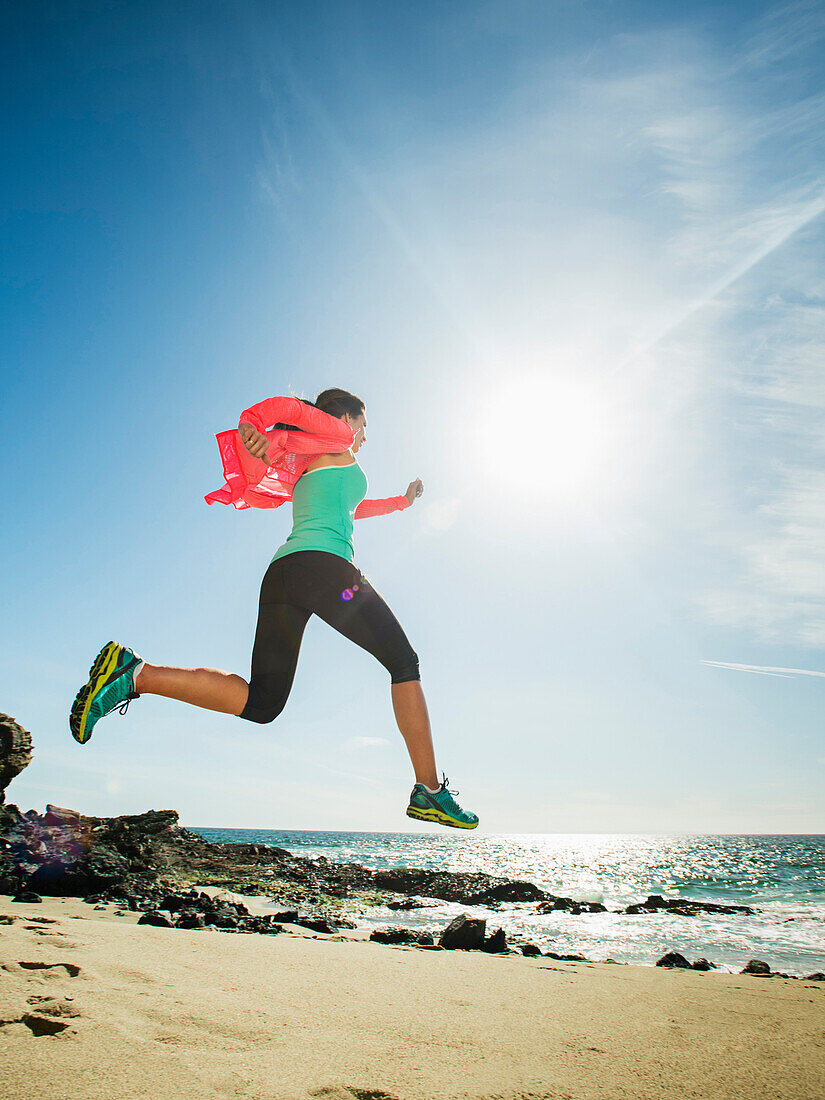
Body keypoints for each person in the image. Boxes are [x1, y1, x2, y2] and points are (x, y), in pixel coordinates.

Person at [69, 388, 478, 829]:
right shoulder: (335, 437)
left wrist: (403, 501)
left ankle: (133, 674)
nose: (363, 436)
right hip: (325, 569)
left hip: (285, 575)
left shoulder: (308, 463)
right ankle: (429, 790)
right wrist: (250, 422)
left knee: (263, 704)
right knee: (404, 661)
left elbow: (355, 510)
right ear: (343, 416)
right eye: (363, 424)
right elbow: (287, 409)